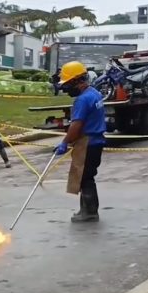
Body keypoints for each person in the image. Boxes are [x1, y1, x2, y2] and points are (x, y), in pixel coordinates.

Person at [52, 61, 106, 223]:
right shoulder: (95, 93)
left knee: (85, 178)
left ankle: (89, 212)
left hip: (87, 142)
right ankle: (87, 210)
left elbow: (77, 124)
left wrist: (65, 142)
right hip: (96, 141)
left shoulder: (82, 100)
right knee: (88, 177)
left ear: (77, 81)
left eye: (68, 84)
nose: (66, 88)